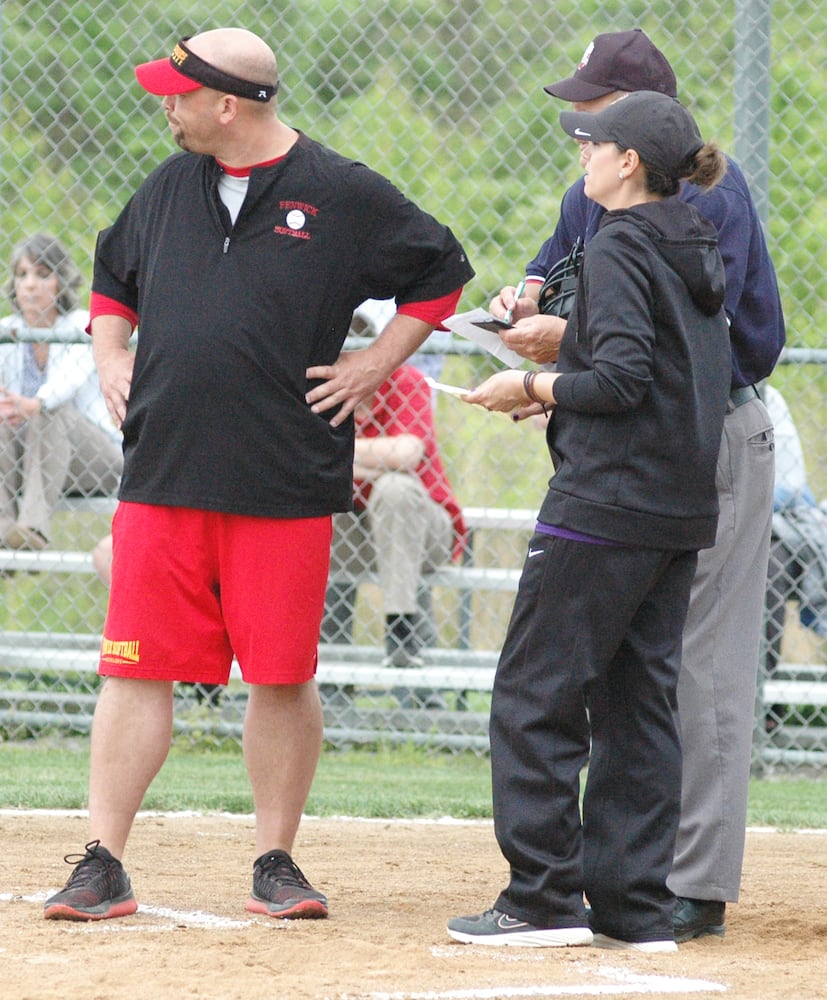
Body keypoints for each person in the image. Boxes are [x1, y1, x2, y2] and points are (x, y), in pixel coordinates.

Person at [42, 27, 473, 923]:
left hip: (281, 479)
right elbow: (112, 272)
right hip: (164, 469)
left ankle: (275, 860)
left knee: (280, 673)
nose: (167, 105)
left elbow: (440, 274)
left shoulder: (340, 191)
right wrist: (113, 354)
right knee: (134, 668)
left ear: (227, 103)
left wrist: (374, 367)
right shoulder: (169, 186)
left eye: (178, 93)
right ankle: (102, 863)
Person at [489, 29, 783, 943]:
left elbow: (665, 345)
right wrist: (531, 294)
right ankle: (634, 894)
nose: (576, 127)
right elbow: (565, 260)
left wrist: (548, 368)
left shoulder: (699, 197)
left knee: (688, 676)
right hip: (643, 445)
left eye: (593, 113)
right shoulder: (610, 196)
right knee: (635, 686)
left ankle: (680, 885)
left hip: (691, 437)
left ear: (636, 139)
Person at [447, 90, 731, 951]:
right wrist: (563, 385)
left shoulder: (616, 243)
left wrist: (526, 386)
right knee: (637, 702)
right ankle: (633, 906)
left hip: (604, 499)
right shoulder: (691, 238)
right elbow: (657, 377)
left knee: (535, 692)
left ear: (628, 164)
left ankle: (537, 897)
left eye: (592, 144)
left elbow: (620, 380)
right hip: (674, 503)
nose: (582, 154)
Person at [322, 363, 466, 701]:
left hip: (426, 529)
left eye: (364, 337)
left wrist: (336, 455)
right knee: (322, 499)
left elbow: (406, 454)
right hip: (355, 528)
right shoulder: (321, 386)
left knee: (394, 490)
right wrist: (374, 458)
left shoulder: (404, 381)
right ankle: (329, 684)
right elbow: (299, 455)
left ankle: (402, 634)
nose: (351, 352)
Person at [0, 234, 122, 549]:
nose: (30, 284)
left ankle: (32, 532)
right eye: (22, 274)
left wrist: (33, 404)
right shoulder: (6, 330)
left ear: (59, 282)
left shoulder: (81, 325)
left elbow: (65, 385)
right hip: (30, 461)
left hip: (93, 457)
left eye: (42, 275)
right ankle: (4, 534)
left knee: (50, 412)